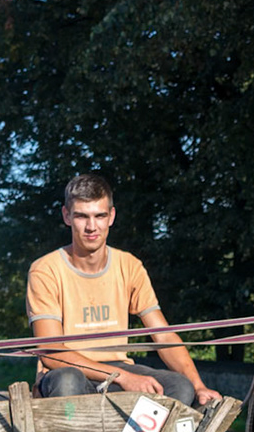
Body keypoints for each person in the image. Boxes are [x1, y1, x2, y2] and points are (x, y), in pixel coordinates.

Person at [26, 174, 221, 408]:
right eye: (81, 216)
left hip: (117, 369)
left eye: (100, 216)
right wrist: (124, 377)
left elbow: (163, 336)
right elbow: (51, 352)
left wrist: (198, 385)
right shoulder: (45, 270)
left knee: (179, 386)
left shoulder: (130, 266)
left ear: (112, 217)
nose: (91, 226)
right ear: (67, 216)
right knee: (68, 380)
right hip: (66, 372)